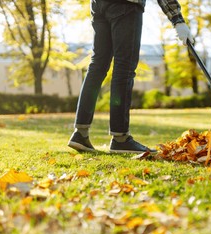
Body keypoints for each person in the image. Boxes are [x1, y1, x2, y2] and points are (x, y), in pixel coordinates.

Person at [68, 0, 193, 153]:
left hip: (98, 5)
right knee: (124, 68)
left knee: (97, 66)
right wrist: (177, 19)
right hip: (126, 5)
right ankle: (120, 138)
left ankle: (80, 133)